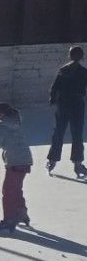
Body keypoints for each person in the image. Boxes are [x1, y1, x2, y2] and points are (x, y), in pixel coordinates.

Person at [0, 101, 32, 234]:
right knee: (16, 189)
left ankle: (9, 220)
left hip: (15, 162)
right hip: (25, 159)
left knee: (8, 191)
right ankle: (21, 213)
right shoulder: (15, 121)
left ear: (1, 114)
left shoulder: (1, 124)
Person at [46, 44, 87, 178]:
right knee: (76, 134)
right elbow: (55, 86)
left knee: (59, 132)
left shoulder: (64, 70)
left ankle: (53, 159)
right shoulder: (83, 72)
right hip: (76, 104)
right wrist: (53, 96)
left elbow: (55, 87)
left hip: (64, 103)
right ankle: (77, 161)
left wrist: (52, 98)